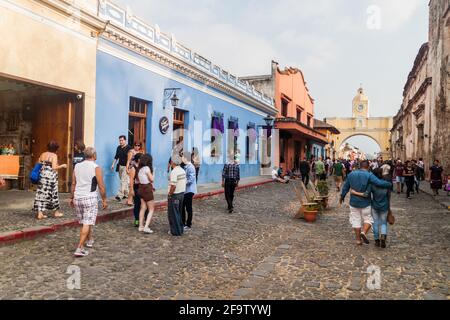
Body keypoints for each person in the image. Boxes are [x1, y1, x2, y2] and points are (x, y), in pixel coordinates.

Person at [340, 160, 392, 246]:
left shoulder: (351, 174)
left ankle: (358, 240)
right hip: (365, 203)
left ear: (360, 166)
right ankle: (363, 232)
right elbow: (378, 183)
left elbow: (346, 187)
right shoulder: (369, 175)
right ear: (368, 167)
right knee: (368, 219)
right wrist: (389, 184)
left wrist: (342, 196)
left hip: (353, 202)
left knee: (356, 220)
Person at [70, 147, 107, 258]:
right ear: (94, 156)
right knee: (87, 221)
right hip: (89, 197)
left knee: (85, 221)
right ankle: (79, 248)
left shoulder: (77, 166)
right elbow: (101, 186)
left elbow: (73, 183)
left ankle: (90, 240)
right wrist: (104, 200)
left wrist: (71, 197)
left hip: (78, 197)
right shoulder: (96, 168)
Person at [350, 168, 390, 248]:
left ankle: (377, 240)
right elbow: (388, 196)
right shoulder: (386, 184)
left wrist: (354, 192)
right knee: (383, 223)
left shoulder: (372, 185)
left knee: (375, 223)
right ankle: (383, 236)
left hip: (375, 205)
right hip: (384, 205)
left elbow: (366, 194)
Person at [33, 141, 67, 220]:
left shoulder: (43, 154)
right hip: (51, 177)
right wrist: (62, 165)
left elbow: (39, 163)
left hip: (42, 176)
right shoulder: (54, 155)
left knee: (41, 193)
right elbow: (54, 167)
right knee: (53, 193)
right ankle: (56, 212)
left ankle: (40, 213)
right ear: (56, 148)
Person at [167, 154, 186, 236]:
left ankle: (176, 231)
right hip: (182, 194)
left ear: (172, 162)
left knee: (174, 214)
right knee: (179, 213)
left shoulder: (174, 172)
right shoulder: (182, 170)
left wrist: (170, 194)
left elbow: (173, 186)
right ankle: (180, 229)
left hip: (175, 195)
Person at [137, 154, 155, 234]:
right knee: (151, 209)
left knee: (143, 207)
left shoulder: (140, 169)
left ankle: (140, 226)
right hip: (147, 189)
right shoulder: (147, 168)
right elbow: (152, 179)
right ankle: (146, 227)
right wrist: (154, 173)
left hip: (141, 188)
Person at [128, 153, 148, 227]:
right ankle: (137, 220)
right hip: (137, 187)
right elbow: (131, 180)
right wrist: (131, 190)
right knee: (137, 205)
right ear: (138, 159)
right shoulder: (133, 168)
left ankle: (145, 220)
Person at [111, 135, 132, 202]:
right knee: (123, 180)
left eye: (122, 140)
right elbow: (116, 156)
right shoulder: (118, 148)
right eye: (120, 140)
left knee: (123, 180)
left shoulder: (129, 148)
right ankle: (126, 194)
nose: (121, 142)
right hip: (120, 166)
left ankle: (119, 195)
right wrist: (113, 164)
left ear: (125, 140)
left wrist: (128, 167)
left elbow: (130, 158)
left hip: (126, 166)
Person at [181, 151, 197, 231]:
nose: (181, 158)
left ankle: (188, 224)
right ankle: (182, 222)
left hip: (189, 190)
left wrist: (182, 182)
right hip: (184, 190)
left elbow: (191, 179)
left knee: (188, 208)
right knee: (182, 207)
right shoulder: (185, 166)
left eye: (182, 157)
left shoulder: (190, 167)